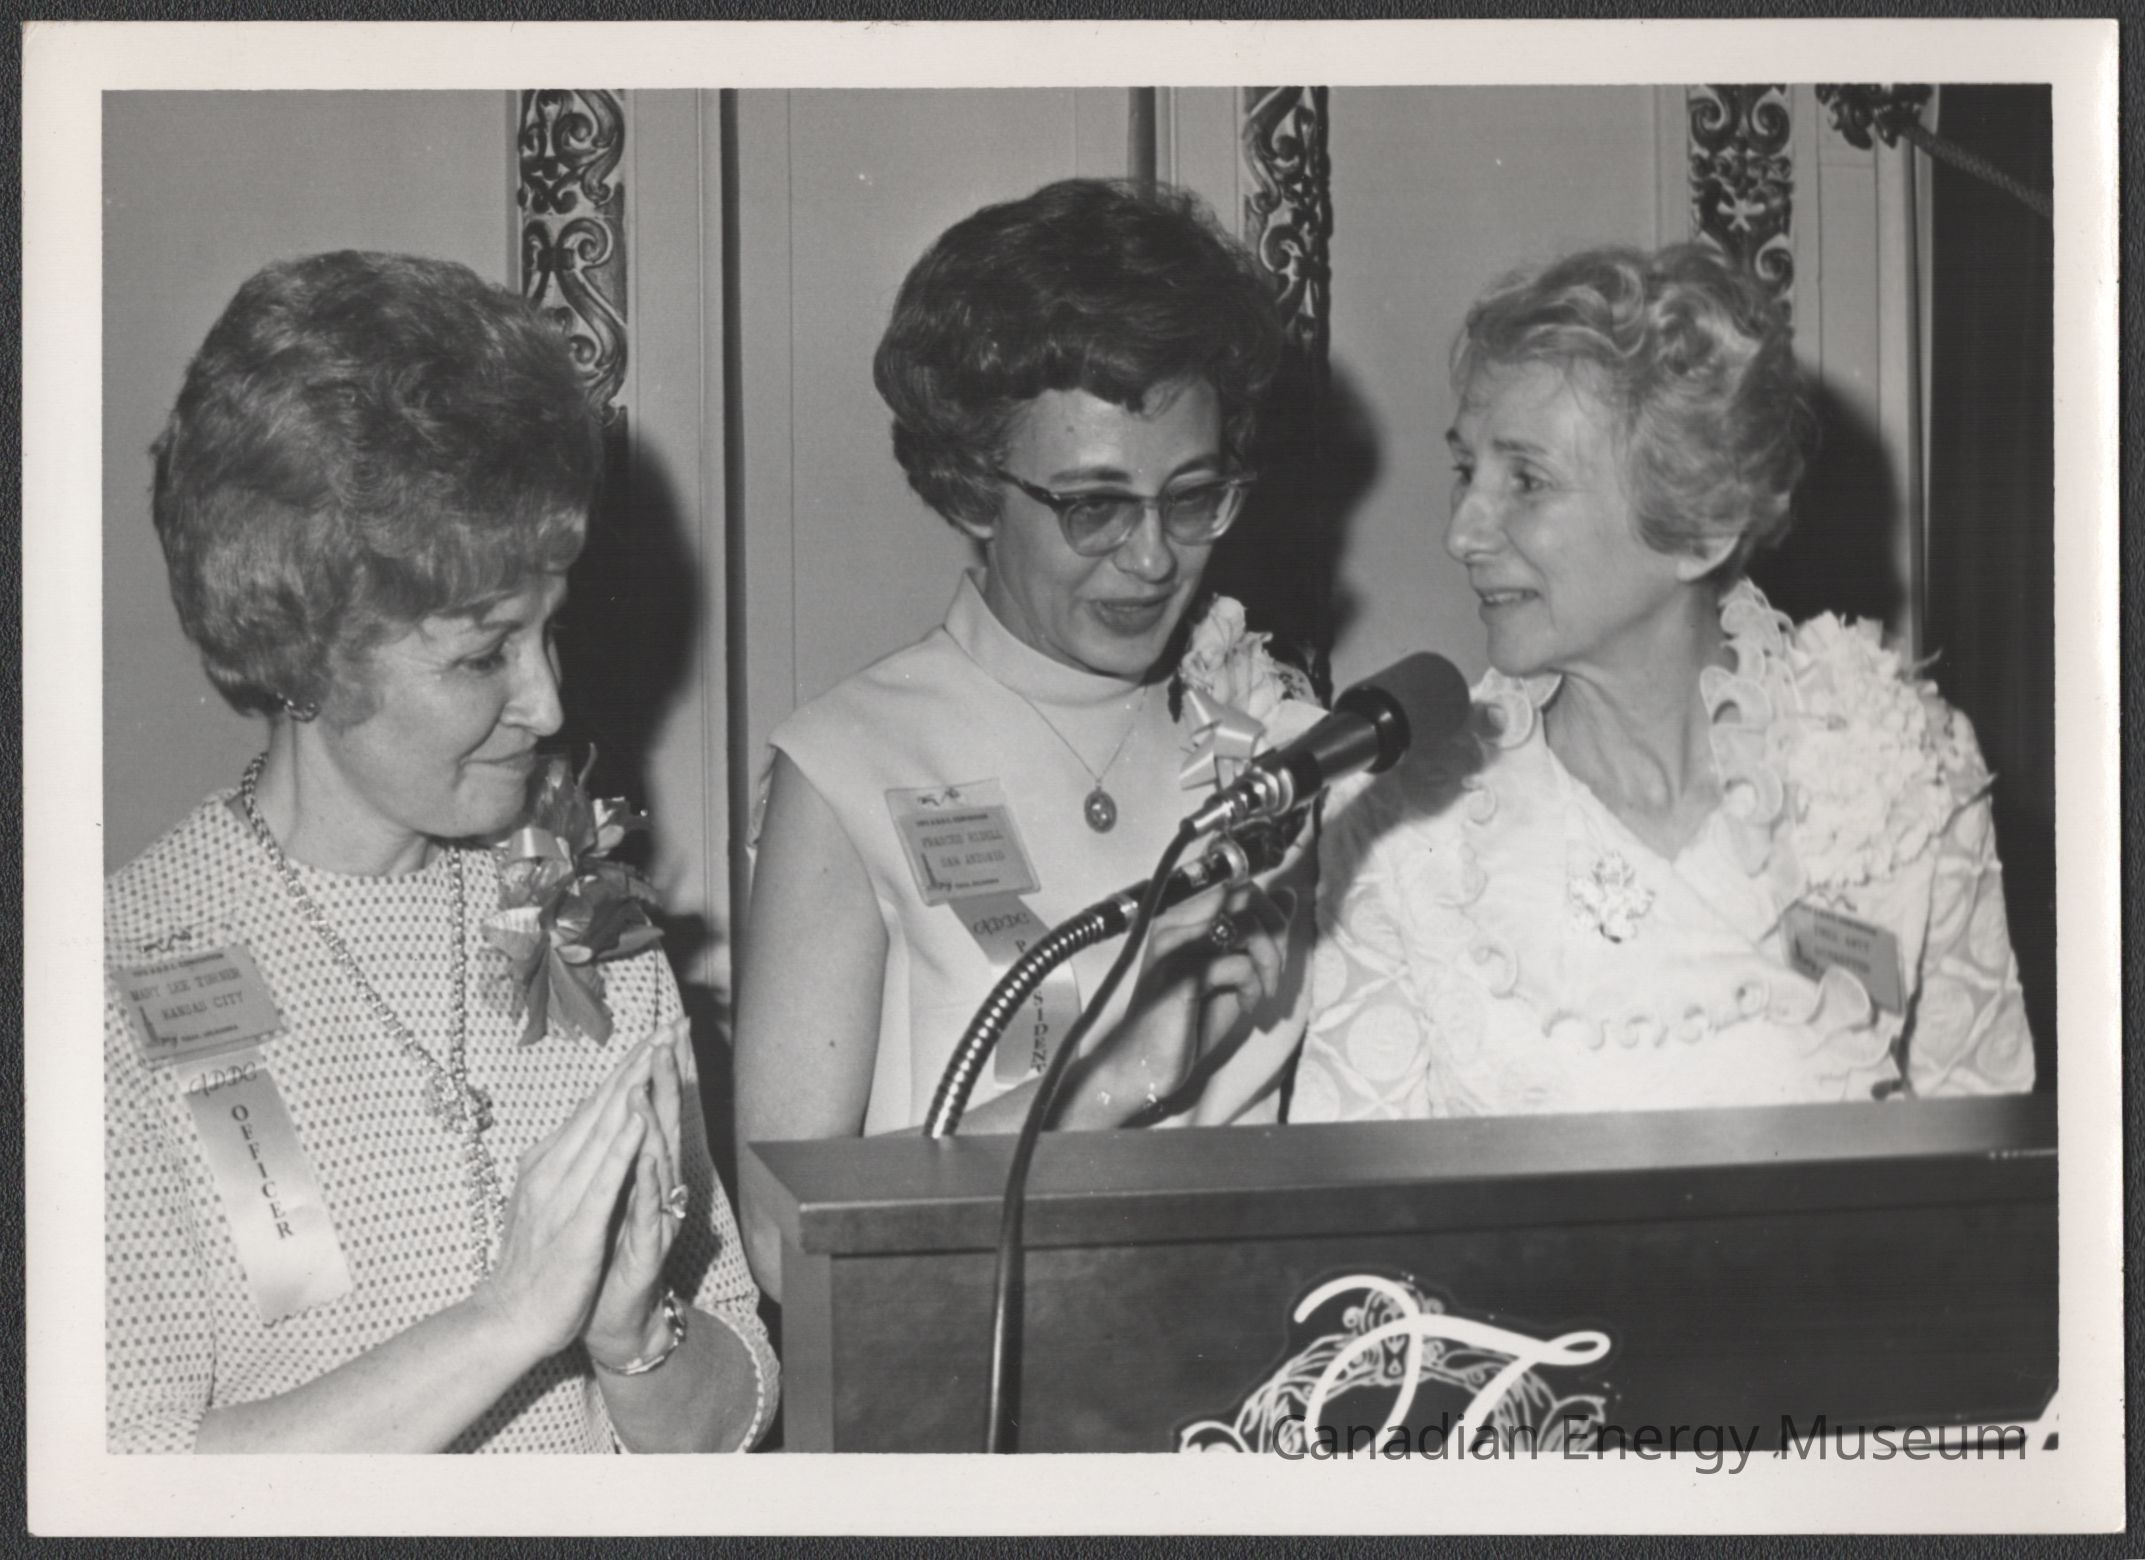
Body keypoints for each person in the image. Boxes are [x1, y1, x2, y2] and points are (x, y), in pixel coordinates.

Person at [105, 251, 776, 1452]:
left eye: (550, 633)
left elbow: (730, 1415)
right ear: (307, 649)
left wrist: (634, 1337)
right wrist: (506, 1321)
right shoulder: (112, 978)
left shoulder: (588, 925)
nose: (549, 703)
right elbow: (127, 1485)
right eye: (482, 656)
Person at [735, 178, 1319, 1295]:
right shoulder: (854, 759)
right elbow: (776, 1242)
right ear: (971, 489)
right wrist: (1100, 1089)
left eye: (1191, 497)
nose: (1152, 559)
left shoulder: (1277, 736)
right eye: (1094, 506)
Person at [1294, 243, 2034, 1122]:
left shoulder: (1901, 764)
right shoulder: (1403, 821)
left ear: (1698, 529)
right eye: (1466, 471)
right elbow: (1356, 1196)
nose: (1462, 532)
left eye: (1526, 480)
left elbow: (1981, 1157)